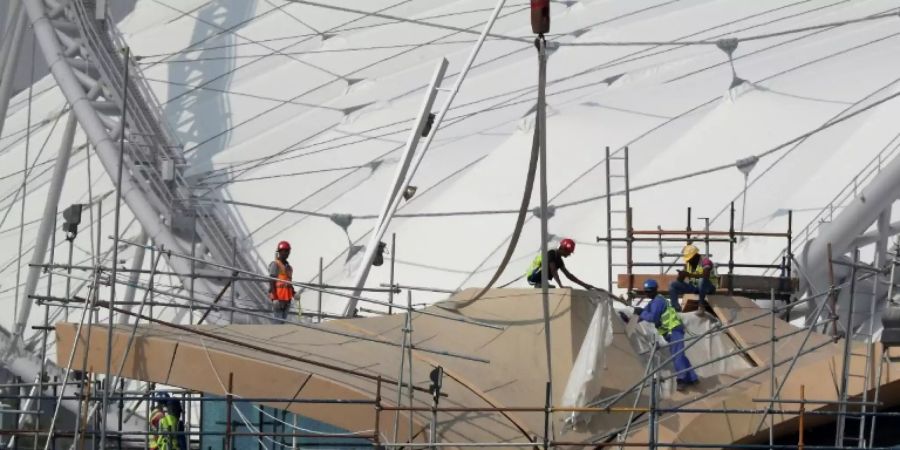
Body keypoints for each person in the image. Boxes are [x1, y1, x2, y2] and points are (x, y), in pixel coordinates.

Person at [626, 279, 699, 390]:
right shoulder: (652, 303)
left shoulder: (659, 301)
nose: (647, 293)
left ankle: (682, 380)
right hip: (669, 332)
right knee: (678, 354)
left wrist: (642, 312)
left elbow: (652, 317)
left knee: (677, 355)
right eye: (646, 291)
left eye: (649, 291)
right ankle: (692, 377)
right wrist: (630, 318)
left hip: (674, 329)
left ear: (655, 290)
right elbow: (642, 316)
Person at [525, 238, 594, 290]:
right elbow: (553, 270)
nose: (569, 254)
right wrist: (561, 285)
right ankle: (538, 283)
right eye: (569, 252)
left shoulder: (558, 259)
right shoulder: (551, 253)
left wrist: (585, 285)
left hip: (539, 277)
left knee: (553, 265)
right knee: (551, 265)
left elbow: (568, 275)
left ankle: (541, 283)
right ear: (563, 249)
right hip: (532, 276)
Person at [668, 244, 717, 314]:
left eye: (690, 259)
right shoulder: (688, 264)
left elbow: (705, 275)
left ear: (695, 256)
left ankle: (701, 305)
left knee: (701, 280)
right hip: (695, 288)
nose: (689, 261)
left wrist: (689, 275)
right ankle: (676, 308)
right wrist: (681, 275)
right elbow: (680, 281)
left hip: (708, 288)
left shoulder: (706, 261)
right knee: (672, 284)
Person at [268, 240, 295, 320]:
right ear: (280, 252)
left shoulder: (289, 268)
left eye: (288, 251)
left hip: (287, 300)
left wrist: (294, 293)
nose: (287, 253)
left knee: (282, 323)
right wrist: (275, 298)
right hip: (278, 300)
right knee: (277, 323)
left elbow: (289, 283)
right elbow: (272, 281)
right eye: (285, 251)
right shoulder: (275, 264)